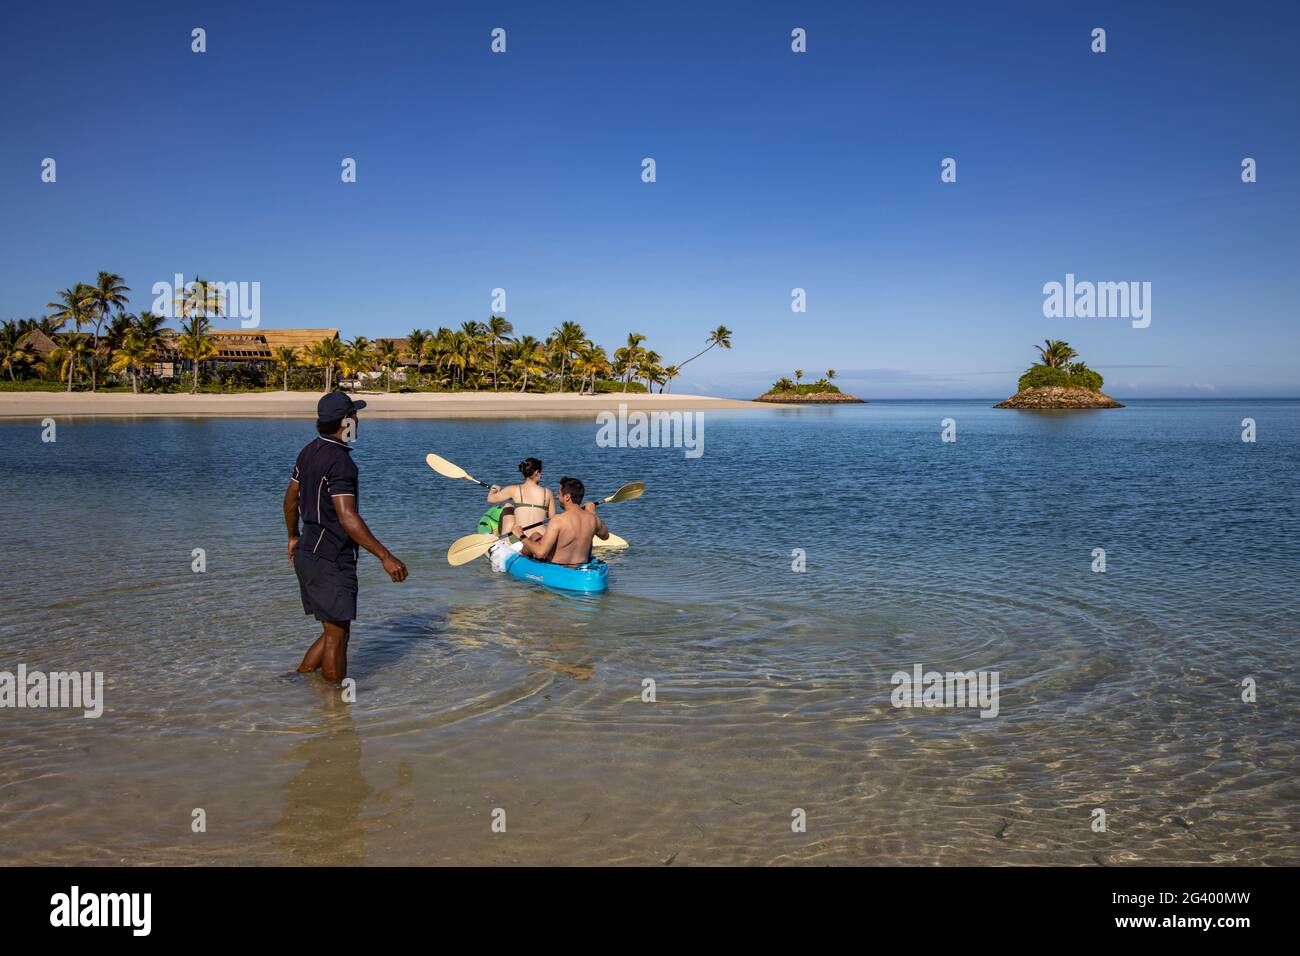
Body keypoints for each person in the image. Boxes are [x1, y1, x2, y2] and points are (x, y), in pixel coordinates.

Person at [283, 392, 407, 682]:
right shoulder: (341, 463)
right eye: (355, 415)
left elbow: (290, 500)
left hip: (306, 551)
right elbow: (347, 517)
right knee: (338, 635)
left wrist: (292, 536)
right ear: (345, 422)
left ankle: (296, 678)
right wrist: (385, 557)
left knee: (334, 627)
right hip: (330, 557)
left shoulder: (308, 451)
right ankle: (335, 710)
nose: (358, 419)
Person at [520, 477, 609, 567]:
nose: (557, 497)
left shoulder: (558, 520)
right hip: (581, 567)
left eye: (559, 493)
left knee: (532, 538)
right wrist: (592, 512)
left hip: (559, 568)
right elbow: (605, 536)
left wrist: (521, 535)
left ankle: (520, 559)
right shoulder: (593, 519)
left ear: (567, 497)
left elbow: (540, 553)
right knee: (536, 536)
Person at [486, 457, 555, 541]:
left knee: (508, 506)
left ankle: (504, 538)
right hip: (540, 538)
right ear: (537, 472)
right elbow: (553, 520)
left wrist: (493, 490)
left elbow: (490, 499)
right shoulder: (547, 492)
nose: (541, 475)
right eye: (541, 473)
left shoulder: (513, 489)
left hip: (520, 537)